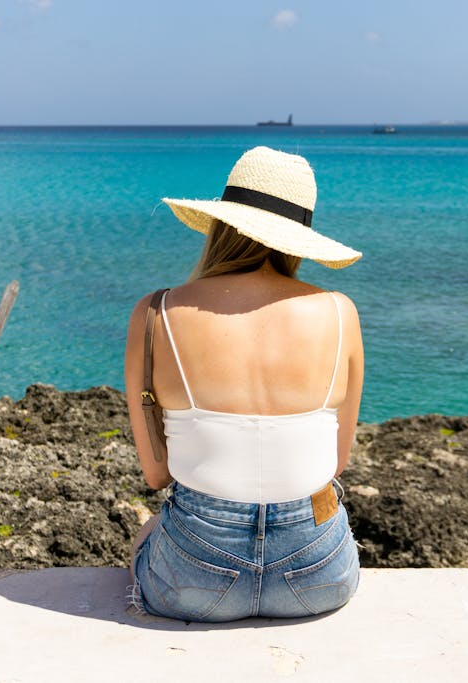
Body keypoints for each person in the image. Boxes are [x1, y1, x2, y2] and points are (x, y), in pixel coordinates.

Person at [124, 145, 365, 622]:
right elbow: (336, 464)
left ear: (220, 226)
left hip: (195, 578)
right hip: (317, 577)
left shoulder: (157, 314)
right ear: (298, 238)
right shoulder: (341, 313)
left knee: (144, 535)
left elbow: (156, 476)